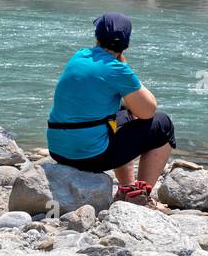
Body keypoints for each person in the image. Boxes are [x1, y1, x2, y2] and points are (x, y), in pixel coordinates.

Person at [47, 12, 175, 206]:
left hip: (58, 149)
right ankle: (139, 196)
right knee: (163, 125)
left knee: (123, 113)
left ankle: (127, 187)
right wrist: (127, 72)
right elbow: (148, 111)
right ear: (126, 44)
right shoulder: (118, 70)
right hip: (90, 157)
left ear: (97, 37)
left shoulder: (79, 56)